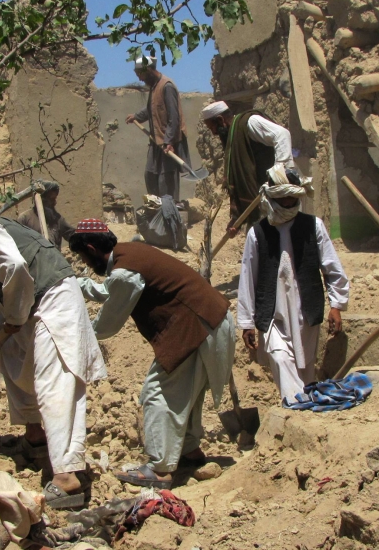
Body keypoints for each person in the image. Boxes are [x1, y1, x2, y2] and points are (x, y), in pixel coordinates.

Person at [0, 186, 107, 509]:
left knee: (55, 384)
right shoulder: (5, 228)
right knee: (11, 354)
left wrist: (12, 320)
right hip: (40, 301)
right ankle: (35, 437)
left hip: (53, 301)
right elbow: (11, 294)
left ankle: (67, 479)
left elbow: (16, 271)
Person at [69, 219, 235, 489]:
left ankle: (159, 470)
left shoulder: (125, 272)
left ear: (90, 248)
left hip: (195, 326)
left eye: (85, 259)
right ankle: (189, 452)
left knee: (158, 392)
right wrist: (78, 284)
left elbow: (110, 320)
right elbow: (109, 290)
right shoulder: (131, 253)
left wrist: (81, 335)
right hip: (212, 320)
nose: (87, 265)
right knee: (186, 394)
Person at [237, 167, 350, 404]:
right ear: (273, 197)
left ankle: (303, 406)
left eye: (292, 197)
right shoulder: (257, 233)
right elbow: (248, 279)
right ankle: (299, 404)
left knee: (305, 366)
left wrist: (336, 304)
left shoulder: (314, 226)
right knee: (278, 357)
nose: (289, 202)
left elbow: (332, 267)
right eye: (284, 197)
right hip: (272, 315)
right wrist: (247, 322)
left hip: (305, 312)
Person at [201, 101, 295, 235]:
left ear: (220, 120)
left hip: (275, 202)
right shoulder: (233, 137)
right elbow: (239, 182)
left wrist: (279, 173)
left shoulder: (250, 123)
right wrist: (236, 219)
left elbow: (282, 134)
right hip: (259, 207)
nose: (214, 133)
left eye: (212, 128)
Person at [125, 55, 192, 202]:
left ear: (148, 69)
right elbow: (151, 108)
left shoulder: (167, 86)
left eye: (140, 74)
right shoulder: (154, 88)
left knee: (166, 183)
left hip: (168, 144)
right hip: (156, 143)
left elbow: (174, 118)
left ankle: (169, 216)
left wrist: (169, 141)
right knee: (150, 175)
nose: (140, 79)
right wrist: (136, 116)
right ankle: (156, 213)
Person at [16, 181, 75, 250]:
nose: (55, 203)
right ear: (42, 199)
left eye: (55, 199)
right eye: (52, 199)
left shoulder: (57, 219)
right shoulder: (25, 218)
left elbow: (72, 235)